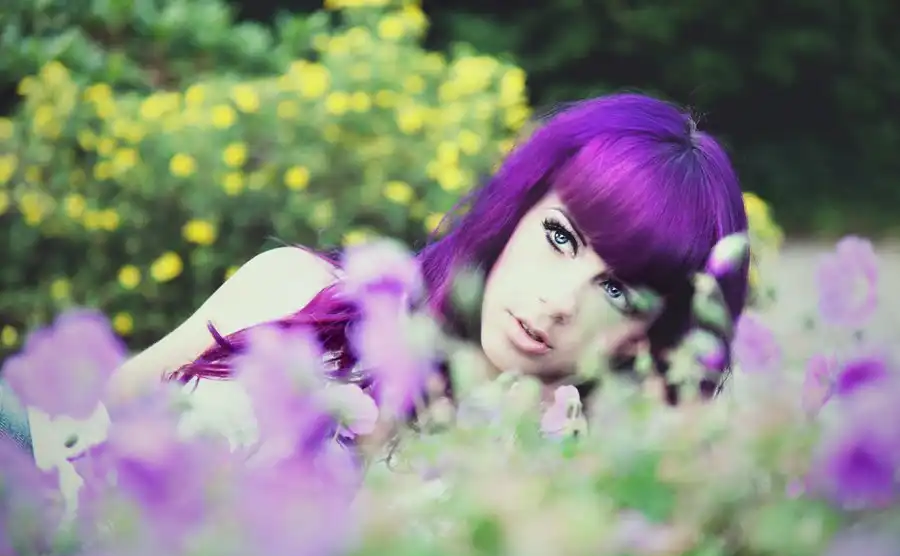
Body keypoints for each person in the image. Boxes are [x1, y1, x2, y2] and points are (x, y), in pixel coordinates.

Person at [5, 92, 749, 468]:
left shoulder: (562, 500)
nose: (560, 303)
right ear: (519, 206)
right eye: (561, 237)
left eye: (618, 291)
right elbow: (70, 438)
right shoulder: (299, 293)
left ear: (651, 335)